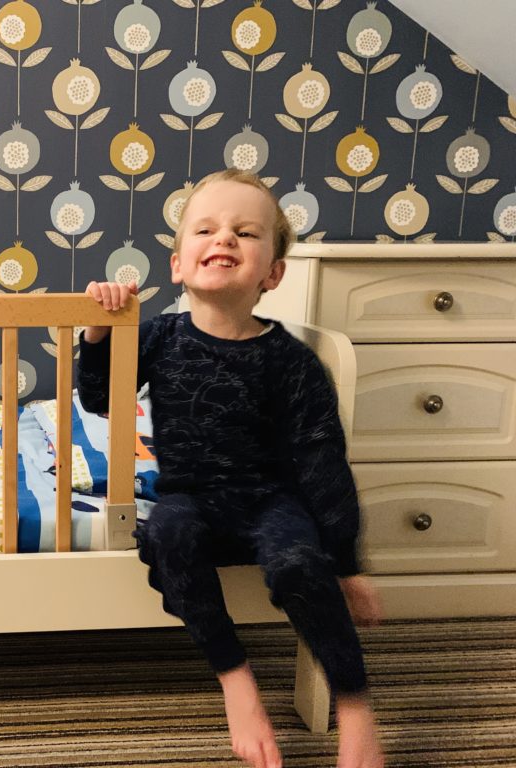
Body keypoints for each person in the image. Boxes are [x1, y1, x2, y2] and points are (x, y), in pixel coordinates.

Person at [77, 169, 385, 768]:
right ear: (177, 263)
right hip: (192, 495)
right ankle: (236, 680)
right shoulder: (158, 336)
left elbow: (321, 462)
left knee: (301, 562)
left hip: (271, 500)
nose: (224, 239)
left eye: (245, 232)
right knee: (168, 531)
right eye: (206, 229)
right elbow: (99, 398)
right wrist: (98, 333)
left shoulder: (292, 361)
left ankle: (354, 705)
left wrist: (345, 565)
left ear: (272, 273)